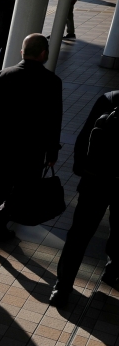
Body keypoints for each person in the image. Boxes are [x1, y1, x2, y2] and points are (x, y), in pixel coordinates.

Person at [0, 34, 62, 246]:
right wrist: (52, 153)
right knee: (23, 191)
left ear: (22, 52)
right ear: (43, 54)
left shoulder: (2, 76)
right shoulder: (52, 82)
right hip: (29, 150)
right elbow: (53, 121)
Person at [49, 90, 119, 308]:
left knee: (79, 234)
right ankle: (112, 272)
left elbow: (85, 135)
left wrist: (83, 170)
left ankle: (62, 287)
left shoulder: (111, 98)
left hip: (95, 180)